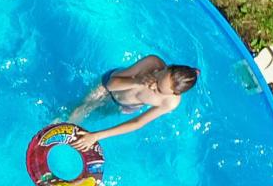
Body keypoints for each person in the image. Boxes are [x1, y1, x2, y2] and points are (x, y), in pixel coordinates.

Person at [68, 55, 199, 151]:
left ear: (174, 94)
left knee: (96, 116)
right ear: (167, 67)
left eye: (159, 90)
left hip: (126, 105)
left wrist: (96, 136)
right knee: (80, 111)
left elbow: (138, 123)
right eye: (157, 77)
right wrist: (137, 81)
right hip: (108, 86)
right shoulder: (151, 63)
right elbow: (111, 85)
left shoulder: (170, 102)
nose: (152, 86)